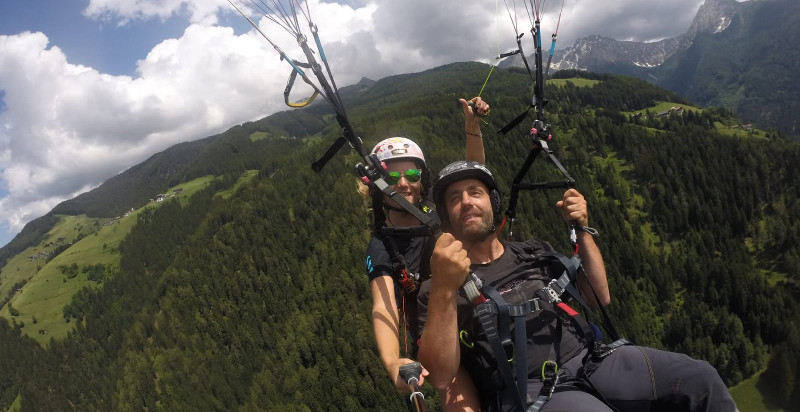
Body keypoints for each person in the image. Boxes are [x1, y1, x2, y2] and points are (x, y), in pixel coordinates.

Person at [416, 160, 739, 412]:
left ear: (493, 202)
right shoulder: (437, 288)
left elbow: (597, 297)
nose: (467, 202)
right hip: (526, 388)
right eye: (455, 199)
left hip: (593, 360)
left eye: (475, 192)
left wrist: (582, 229)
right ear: (446, 215)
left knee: (700, 379)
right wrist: (445, 286)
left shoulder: (534, 251)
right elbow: (442, 376)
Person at [364, 98, 489, 410]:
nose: (404, 184)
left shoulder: (436, 209)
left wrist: (472, 128)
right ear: (378, 186)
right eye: (393, 178)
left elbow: (475, 177)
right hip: (438, 333)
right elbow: (385, 307)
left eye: (412, 176)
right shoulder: (383, 245)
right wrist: (394, 361)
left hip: (479, 309)